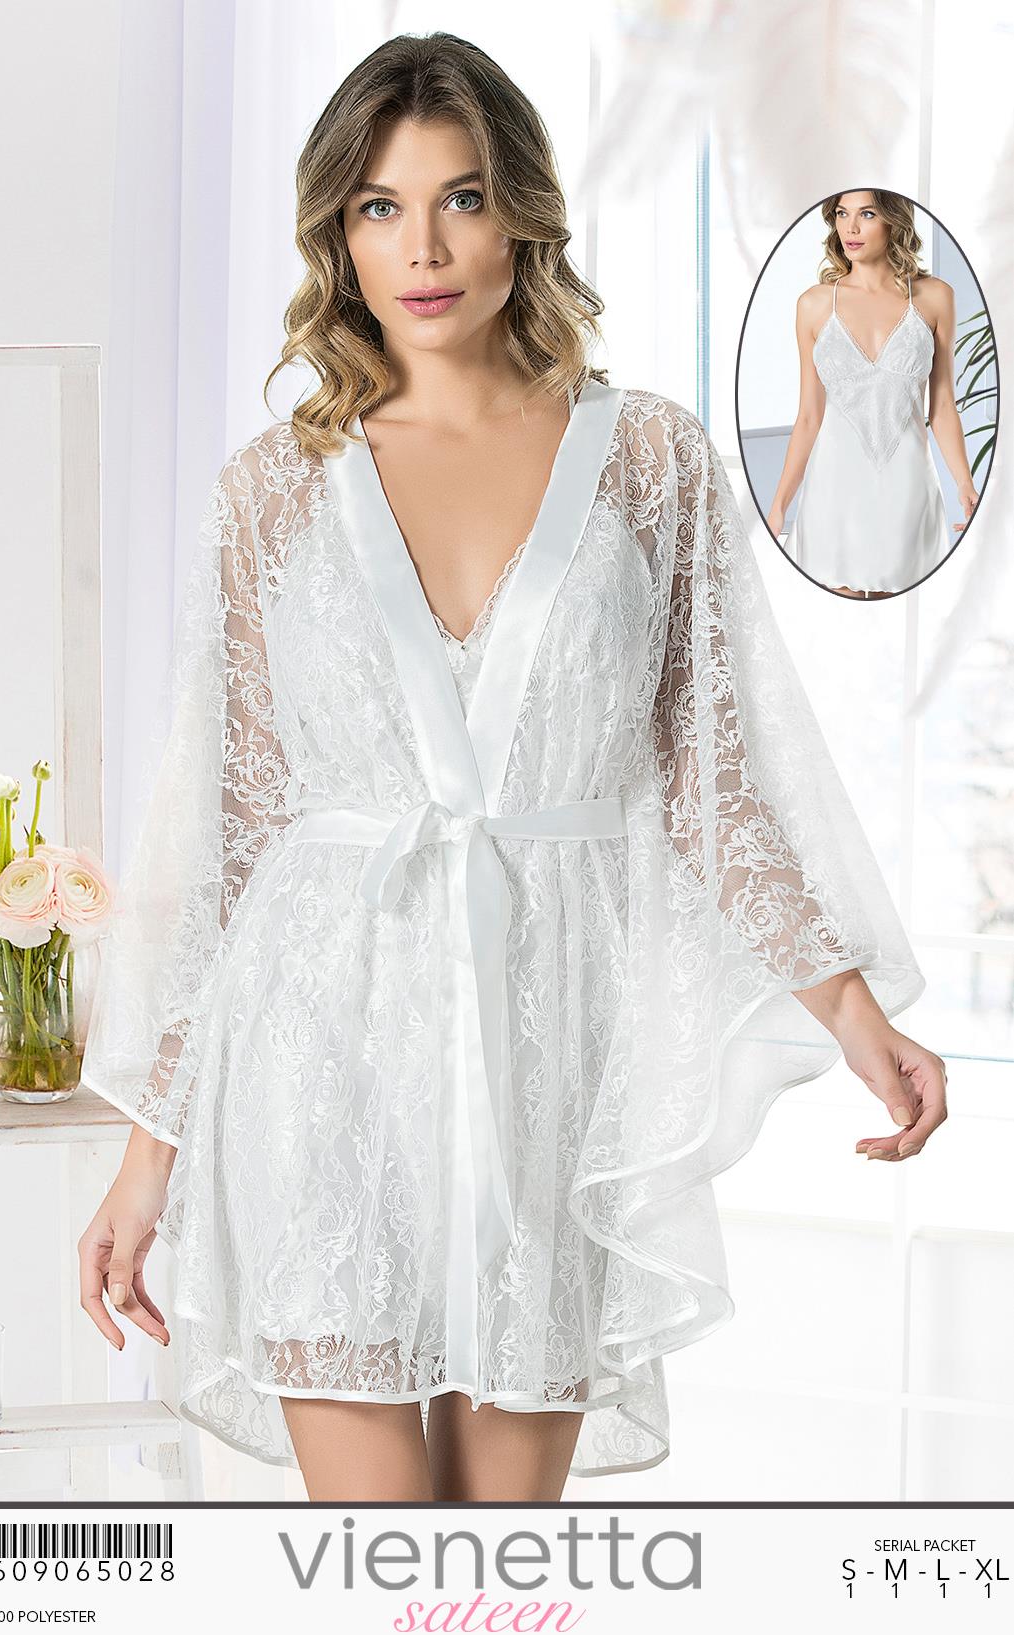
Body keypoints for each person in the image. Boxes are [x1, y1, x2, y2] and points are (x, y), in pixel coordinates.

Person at [78, 34, 947, 1504]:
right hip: (317, 1056)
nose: (422, 249)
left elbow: (710, 776)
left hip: (548, 1059)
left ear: (522, 215)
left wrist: (857, 1014)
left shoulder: (651, 461)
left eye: (461, 199)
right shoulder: (270, 490)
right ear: (337, 234)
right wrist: (143, 1161)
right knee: (376, 1567)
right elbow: (235, 836)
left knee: (498, 1564)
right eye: (378, 207)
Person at [767, 190, 978, 597]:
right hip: (834, 486)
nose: (850, 227)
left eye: (866, 214)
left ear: (893, 220)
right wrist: (778, 507)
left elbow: (942, 406)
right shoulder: (813, 305)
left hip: (908, 485)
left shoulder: (935, 297)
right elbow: (809, 416)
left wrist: (964, 484)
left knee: (907, 607)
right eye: (841, 214)